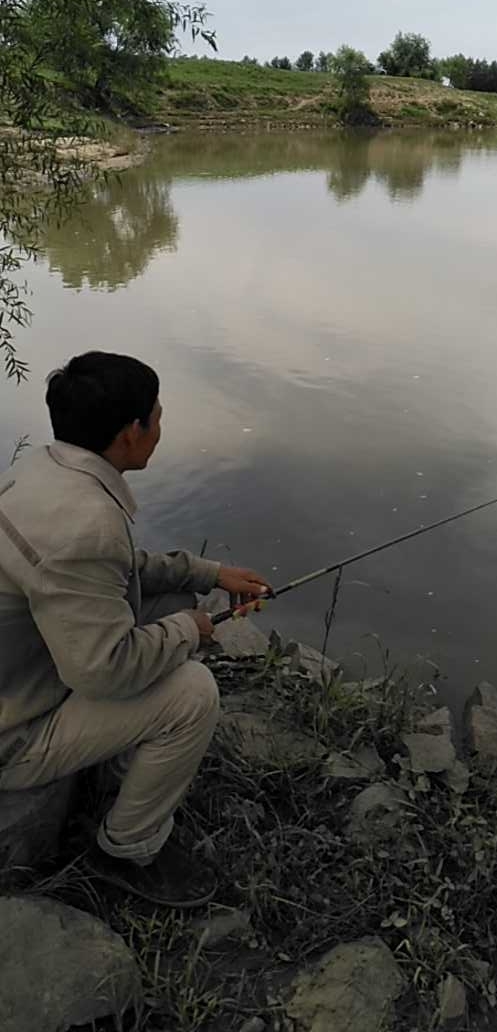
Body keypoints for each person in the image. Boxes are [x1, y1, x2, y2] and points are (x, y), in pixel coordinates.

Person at [0, 351, 272, 906]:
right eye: (157, 416)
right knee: (193, 694)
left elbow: (112, 572)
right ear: (131, 433)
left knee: (170, 594)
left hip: (22, 669)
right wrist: (191, 631)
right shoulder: (87, 525)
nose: (161, 426)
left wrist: (209, 574)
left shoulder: (45, 470)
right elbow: (104, 670)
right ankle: (125, 849)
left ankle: (121, 767)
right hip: (13, 735)